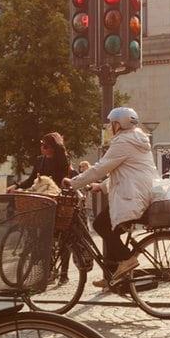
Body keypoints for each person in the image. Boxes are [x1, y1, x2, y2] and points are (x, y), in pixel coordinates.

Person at [69, 108, 154, 285]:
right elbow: (126, 173)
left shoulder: (124, 141)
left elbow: (101, 167)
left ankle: (127, 260)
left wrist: (73, 183)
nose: (109, 126)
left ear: (119, 124)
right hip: (138, 193)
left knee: (100, 225)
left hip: (131, 197)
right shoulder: (137, 139)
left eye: (111, 123)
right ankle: (112, 276)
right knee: (110, 231)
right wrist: (100, 186)